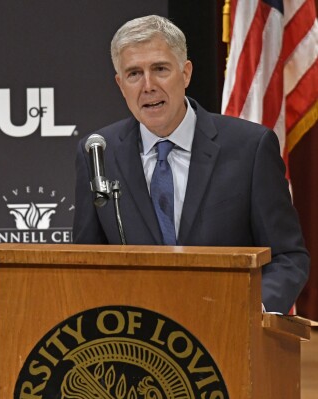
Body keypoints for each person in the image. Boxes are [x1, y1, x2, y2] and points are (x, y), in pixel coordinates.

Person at [73, 15, 309, 315]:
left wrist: (251, 311)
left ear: (185, 73)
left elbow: (287, 256)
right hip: (135, 343)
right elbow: (83, 262)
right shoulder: (98, 153)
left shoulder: (250, 147)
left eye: (160, 69)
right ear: (121, 85)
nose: (148, 85)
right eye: (134, 73)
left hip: (228, 332)